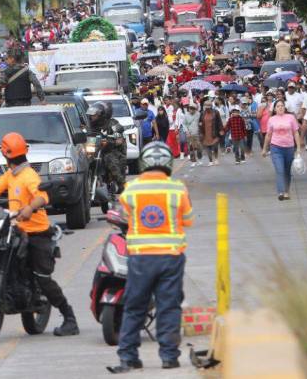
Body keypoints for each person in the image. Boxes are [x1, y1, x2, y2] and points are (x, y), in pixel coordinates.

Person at [0, 133, 79, 337]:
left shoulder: (29, 176)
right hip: (15, 229)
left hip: (37, 232)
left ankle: (69, 317)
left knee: (43, 278)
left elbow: (42, 196)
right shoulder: (11, 175)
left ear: (6, 155)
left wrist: (29, 209)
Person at [107, 142, 193, 374]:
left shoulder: (131, 189)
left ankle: (128, 357)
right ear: (168, 163)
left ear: (144, 162)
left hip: (140, 258)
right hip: (170, 258)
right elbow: (188, 219)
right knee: (168, 306)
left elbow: (123, 216)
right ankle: (168, 357)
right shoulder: (178, 189)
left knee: (134, 306)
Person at [262, 99, 302, 201]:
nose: (280, 108)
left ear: (285, 107)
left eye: (282, 106)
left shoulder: (291, 118)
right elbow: (268, 135)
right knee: (280, 170)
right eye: (278, 106)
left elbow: (296, 133)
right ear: (275, 109)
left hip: (289, 147)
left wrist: (298, 148)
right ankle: (281, 191)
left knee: (287, 171)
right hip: (276, 147)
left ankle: (286, 191)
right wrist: (264, 149)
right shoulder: (271, 120)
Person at [87, 101, 126, 193]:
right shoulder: (90, 125)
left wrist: (114, 139)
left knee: (110, 159)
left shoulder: (112, 124)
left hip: (111, 150)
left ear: (102, 115)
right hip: (95, 150)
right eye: (91, 115)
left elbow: (119, 137)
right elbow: (86, 134)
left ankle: (122, 184)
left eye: (94, 115)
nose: (92, 117)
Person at [199, 101, 223, 166]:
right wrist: (200, 132)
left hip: (214, 132)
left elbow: (219, 122)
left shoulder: (216, 112)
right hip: (205, 133)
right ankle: (210, 161)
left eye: (208, 107)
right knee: (207, 147)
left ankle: (216, 158)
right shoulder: (202, 113)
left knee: (215, 146)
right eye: (206, 107)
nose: (207, 108)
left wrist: (221, 130)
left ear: (211, 106)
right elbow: (200, 123)